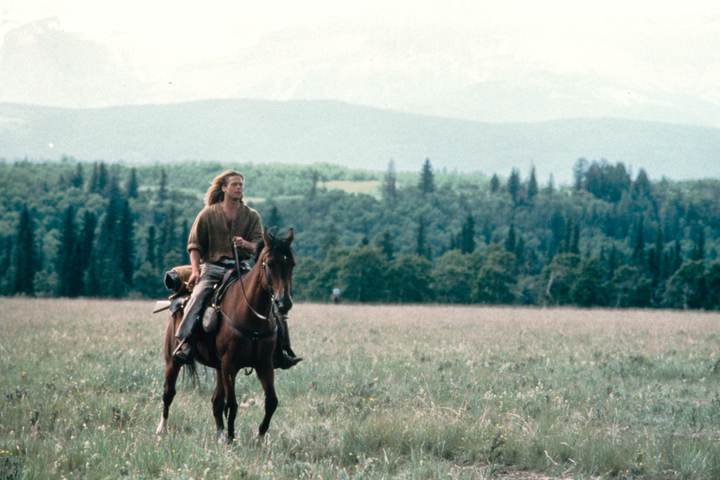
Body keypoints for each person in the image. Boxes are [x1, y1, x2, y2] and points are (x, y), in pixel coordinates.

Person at [172, 170, 302, 369]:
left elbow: (260, 247)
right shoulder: (207, 214)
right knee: (198, 296)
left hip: (240, 268)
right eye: (234, 184)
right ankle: (187, 342)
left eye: (241, 184)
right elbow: (195, 246)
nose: (239, 187)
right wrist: (196, 271)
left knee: (272, 299)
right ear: (224, 188)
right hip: (213, 268)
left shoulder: (251, 216)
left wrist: (246, 245)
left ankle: (282, 349)